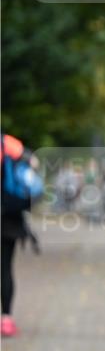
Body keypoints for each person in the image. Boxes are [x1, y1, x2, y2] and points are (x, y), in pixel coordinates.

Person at [1, 132, 36, 337]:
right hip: (9, 218)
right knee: (5, 267)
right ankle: (6, 319)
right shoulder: (8, 143)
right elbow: (33, 162)